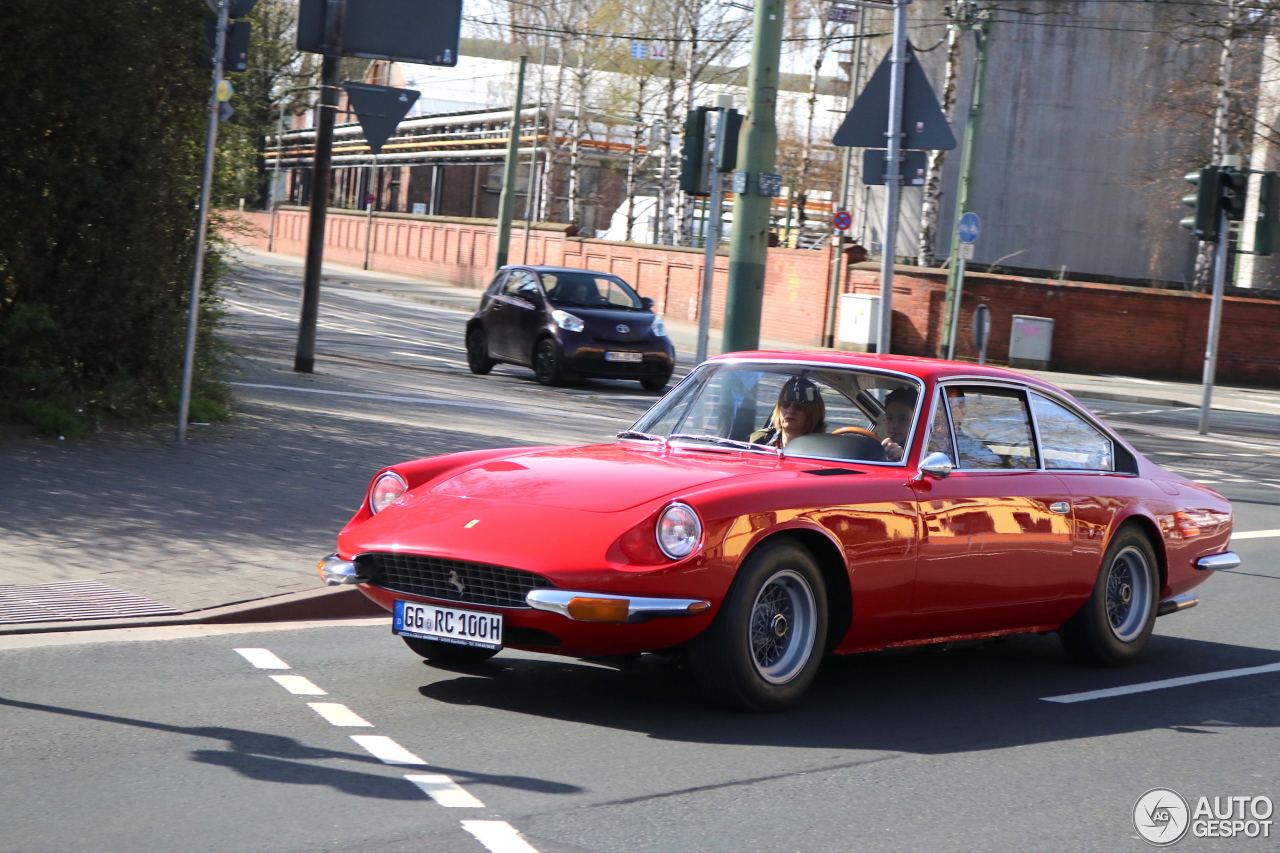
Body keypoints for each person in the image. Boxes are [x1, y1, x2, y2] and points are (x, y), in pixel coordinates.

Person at [749, 376, 827, 449]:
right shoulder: (759, 441)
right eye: (785, 403)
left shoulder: (823, 452)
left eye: (798, 405)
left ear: (813, 413)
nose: (790, 410)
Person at [945, 388, 1001, 467]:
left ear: (963, 412)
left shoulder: (977, 452)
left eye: (945, 407)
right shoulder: (923, 446)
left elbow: (994, 469)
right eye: (932, 408)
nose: (936, 413)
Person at [878, 387, 917, 462]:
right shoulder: (880, 446)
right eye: (890, 418)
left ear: (917, 420)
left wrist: (902, 458)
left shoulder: (924, 453)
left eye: (903, 419)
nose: (894, 425)